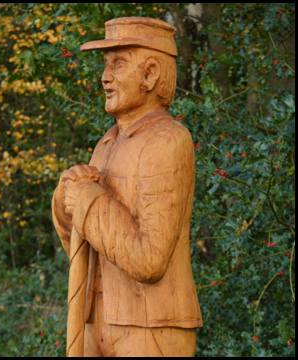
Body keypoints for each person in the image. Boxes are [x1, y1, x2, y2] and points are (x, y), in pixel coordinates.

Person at [52, 17, 203, 357]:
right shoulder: (105, 145)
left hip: (152, 324)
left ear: (150, 75)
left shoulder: (168, 140)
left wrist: (88, 201)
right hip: (97, 320)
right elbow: (87, 245)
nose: (105, 77)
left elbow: (149, 261)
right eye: (106, 65)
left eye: (118, 64)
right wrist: (65, 202)